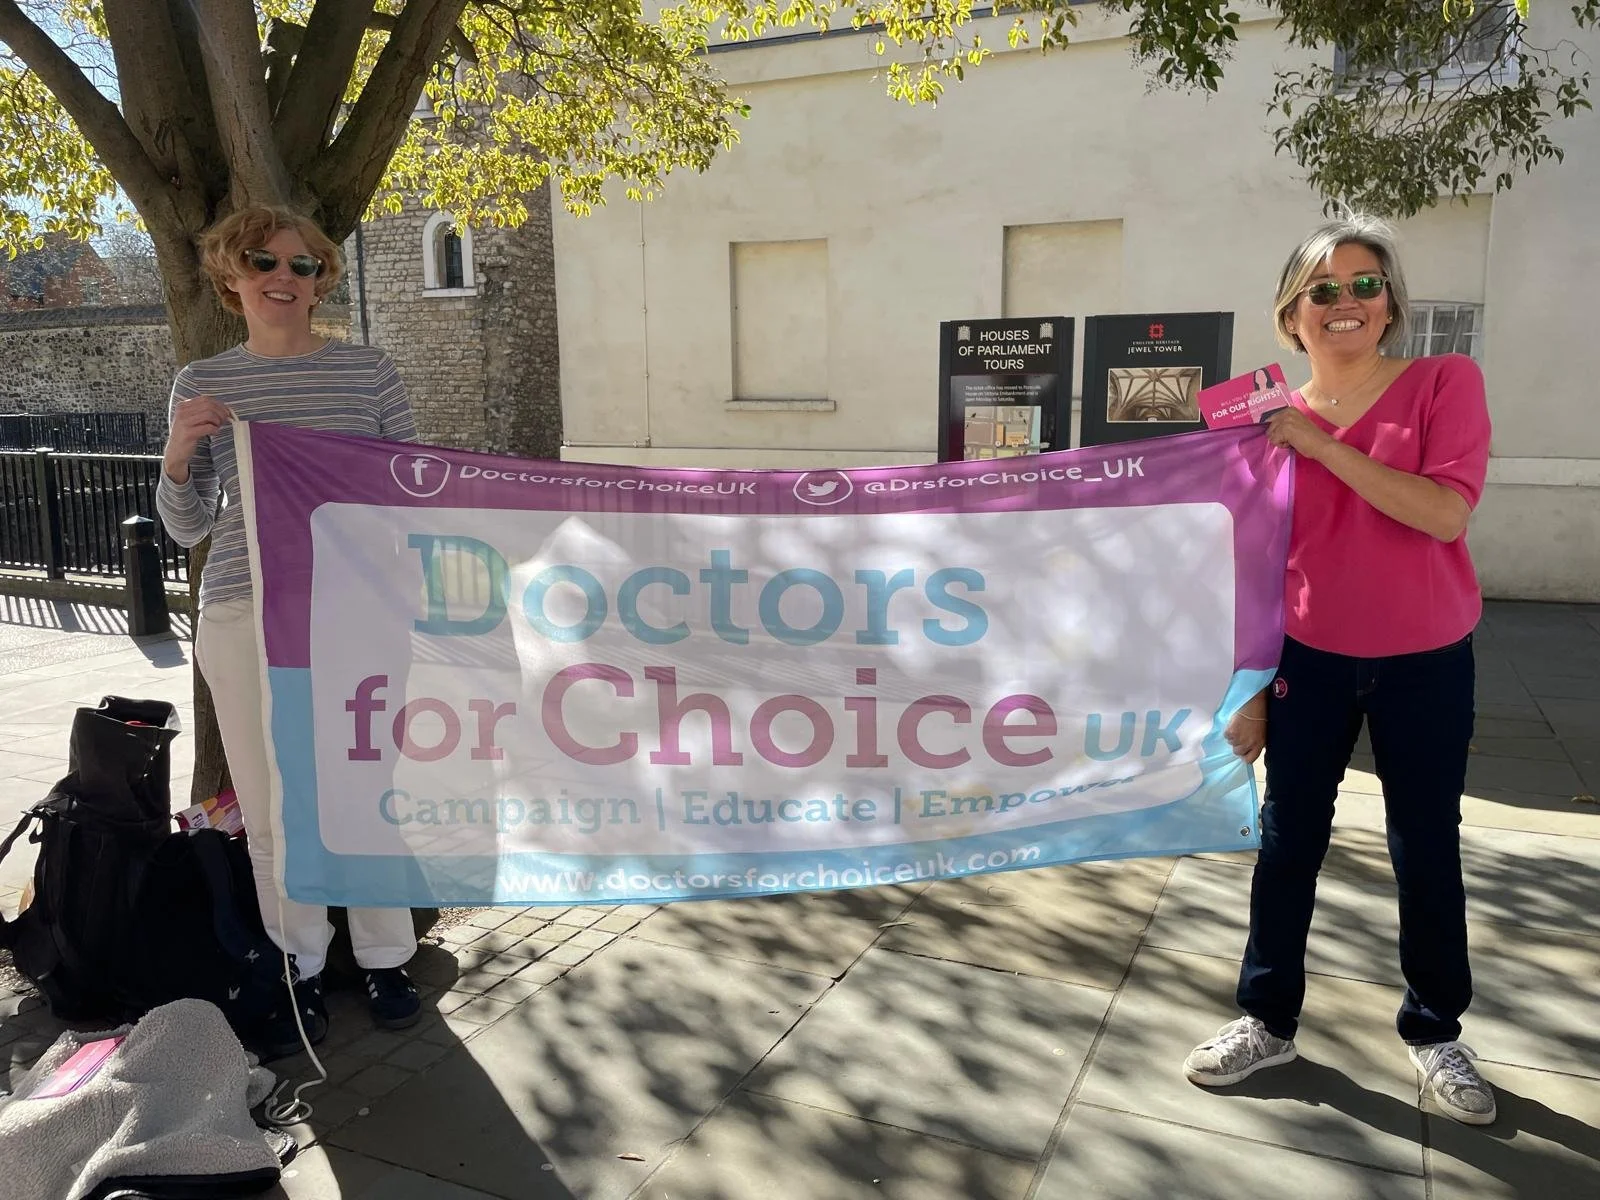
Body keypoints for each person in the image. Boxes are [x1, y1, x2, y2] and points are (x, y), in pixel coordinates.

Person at [1182, 214, 1496, 1126]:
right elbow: (1253, 560)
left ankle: (1437, 1030)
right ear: (1293, 316)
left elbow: (1443, 515)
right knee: (1287, 842)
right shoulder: (1261, 422)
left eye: (1365, 284)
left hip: (1425, 662)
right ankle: (1266, 1018)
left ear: (1391, 304)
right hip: (1310, 662)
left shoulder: (1445, 381)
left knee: (1425, 845)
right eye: (1323, 290)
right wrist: (1248, 691)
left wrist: (1321, 447)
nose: (1346, 302)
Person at [156, 206, 422, 1059]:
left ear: (322, 279)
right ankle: (297, 962)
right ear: (232, 279)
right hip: (244, 609)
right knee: (269, 803)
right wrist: (174, 456)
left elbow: (412, 492)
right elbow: (187, 528)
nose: (284, 276)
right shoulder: (205, 381)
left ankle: (385, 956)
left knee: (364, 788)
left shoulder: (369, 374)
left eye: (303, 265)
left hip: (355, 609)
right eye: (263, 261)